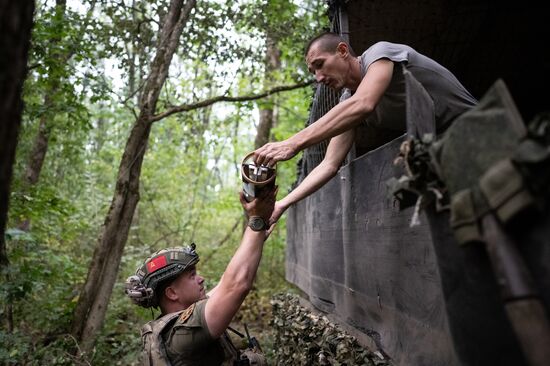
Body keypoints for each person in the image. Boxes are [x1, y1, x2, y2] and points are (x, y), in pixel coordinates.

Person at [253, 32, 477, 226]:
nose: (318, 78)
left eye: (320, 65)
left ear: (342, 51)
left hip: (479, 131)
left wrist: (293, 143)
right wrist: (283, 204)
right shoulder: (348, 103)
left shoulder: (379, 54)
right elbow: (329, 165)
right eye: (313, 72)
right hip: (448, 154)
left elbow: (364, 103)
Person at [125, 186, 276, 365]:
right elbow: (236, 285)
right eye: (192, 275)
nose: (201, 279)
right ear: (172, 293)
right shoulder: (183, 334)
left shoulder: (180, 323)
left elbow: (224, 286)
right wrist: (256, 221)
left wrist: (255, 238)